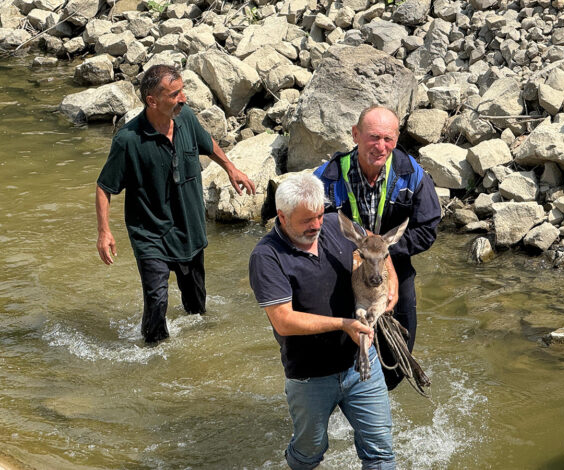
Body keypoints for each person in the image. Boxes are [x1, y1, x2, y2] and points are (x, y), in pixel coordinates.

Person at [95, 64, 256, 343]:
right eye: (175, 94)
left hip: (189, 229)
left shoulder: (187, 119)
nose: (183, 98)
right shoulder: (128, 140)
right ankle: (154, 358)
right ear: (152, 101)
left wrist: (231, 167)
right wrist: (104, 232)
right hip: (150, 234)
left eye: (182, 91)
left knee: (197, 308)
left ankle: (198, 353)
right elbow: (104, 187)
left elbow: (208, 144)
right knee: (157, 301)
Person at [249, 173, 397, 469]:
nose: (316, 225)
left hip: (360, 364)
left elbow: (377, 246)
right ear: (282, 216)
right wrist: (344, 324)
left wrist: (390, 283)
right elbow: (284, 321)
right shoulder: (267, 257)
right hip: (309, 374)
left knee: (380, 451)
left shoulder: (333, 225)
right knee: (310, 453)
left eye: (318, 215)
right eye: (306, 220)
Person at [314, 105, 441, 390]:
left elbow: (428, 228)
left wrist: (386, 255)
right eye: (373, 137)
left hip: (393, 257)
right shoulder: (326, 177)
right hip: (342, 265)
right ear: (355, 134)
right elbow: (308, 228)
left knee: (401, 346)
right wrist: (359, 250)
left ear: (396, 140)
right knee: (337, 341)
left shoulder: (412, 174)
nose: (380, 146)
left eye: (388, 139)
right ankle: (340, 391)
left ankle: (382, 395)